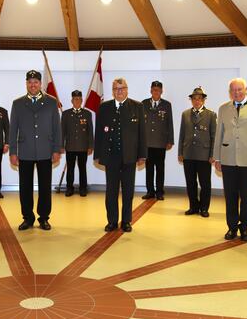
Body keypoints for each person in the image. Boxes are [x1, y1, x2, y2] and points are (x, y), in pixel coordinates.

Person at [213, 78, 247, 242]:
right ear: (230, 92)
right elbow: (219, 134)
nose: (236, 93)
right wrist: (217, 157)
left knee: (246, 196)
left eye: (239, 89)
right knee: (230, 196)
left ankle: (245, 228)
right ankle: (231, 227)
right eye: (233, 90)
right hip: (228, 158)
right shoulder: (223, 108)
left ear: (246, 90)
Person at [9, 70, 62, 231]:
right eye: (30, 82)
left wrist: (56, 150)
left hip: (46, 150)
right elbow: (13, 129)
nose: (33, 85)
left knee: (45, 186)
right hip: (25, 151)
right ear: (26, 83)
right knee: (25, 187)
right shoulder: (17, 103)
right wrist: (13, 151)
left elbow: (56, 128)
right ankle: (27, 217)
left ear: (40, 84)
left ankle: (44, 218)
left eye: (36, 82)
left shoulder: (52, 102)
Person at [94, 78, 147, 232]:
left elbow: (142, 133)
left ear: (127, 89)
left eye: (122, 88)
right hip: (111, 157)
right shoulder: (104, 107)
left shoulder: (137, 107)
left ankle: (126, 221)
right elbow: (99, 133)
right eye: (116, 89)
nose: (119, 91)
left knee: (128, 191)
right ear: (112, 91)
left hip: (129, 156)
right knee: (111, 191)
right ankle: (112, 221)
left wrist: (142, 154)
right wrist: (97, 154)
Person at [178, 87, 216, 217]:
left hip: (204, 155)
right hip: (188, 153)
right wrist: (180, 152)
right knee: (190, 182)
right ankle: (193, 206)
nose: (197, 101)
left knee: (205, 183)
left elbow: (213, 136)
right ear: (191, 100)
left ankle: (204, 208)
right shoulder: (185, 114)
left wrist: (212, 155)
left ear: (203, 100)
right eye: (194, 99)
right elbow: (182, 134)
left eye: (199, 99)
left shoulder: (211, 115)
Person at [141, 81, 174, 201]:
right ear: (150, 90)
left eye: (158, 90)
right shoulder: (143, 104)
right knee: (149, 168)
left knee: (160, 169)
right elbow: (140, 124)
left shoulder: (166, 105)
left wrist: (170, 140)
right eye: (154, 89)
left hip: (161, 142)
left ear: (161, 91)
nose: (156, 92)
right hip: (147, 142)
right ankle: (150, 191)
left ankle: (160, 192)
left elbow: (169, 123)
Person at [61, 90, 93, 197]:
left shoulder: (87, 114)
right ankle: (69, 188)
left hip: (83, 147)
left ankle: (83, 188)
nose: (77, 101)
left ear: (82, 100)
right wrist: (61, 145)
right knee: (70, 168)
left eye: (79, 99)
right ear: (72, 100)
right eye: (75, 99)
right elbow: (62, 132)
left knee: (82, 168)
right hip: (70, 146)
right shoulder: (66, 114)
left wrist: (90, 146)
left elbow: (90, 131)